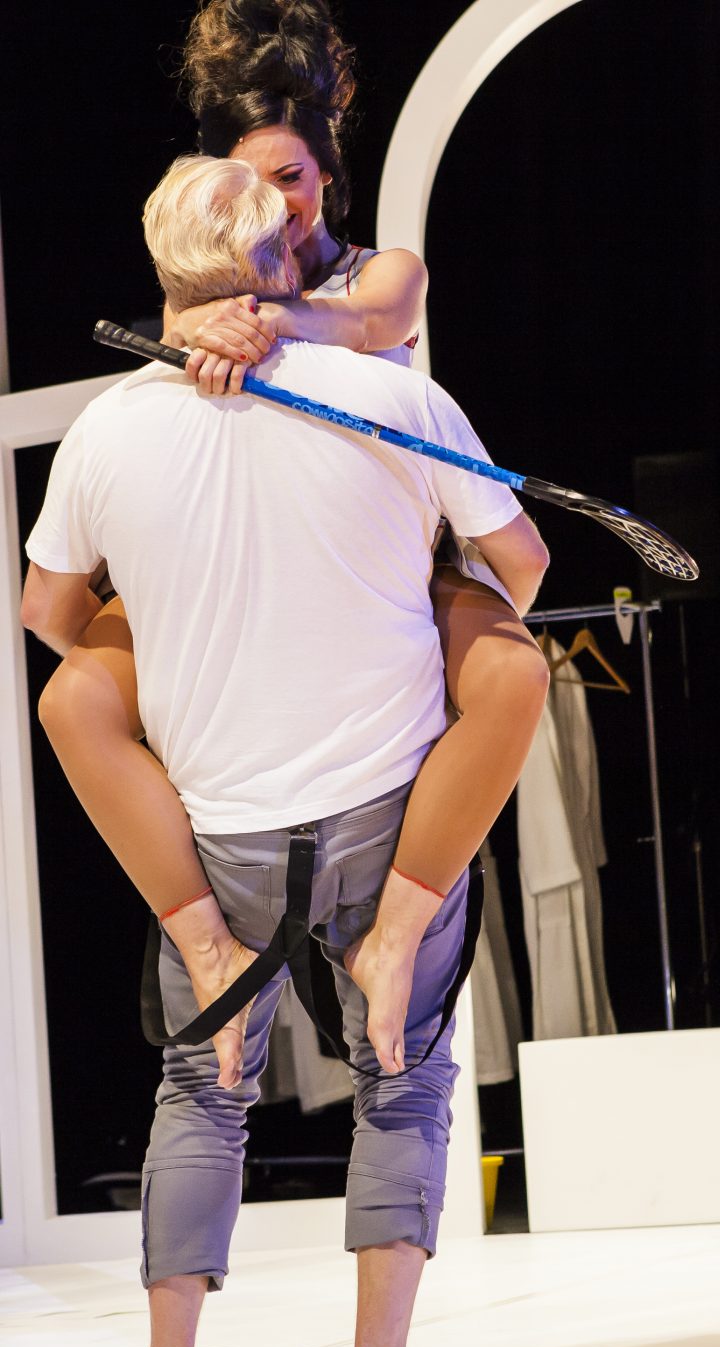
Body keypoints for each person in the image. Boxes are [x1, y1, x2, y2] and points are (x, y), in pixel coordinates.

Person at [22, 153, 548, 1347]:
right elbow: (521, 569)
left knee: (200, 1088)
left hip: (220, 833)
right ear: (280, 256)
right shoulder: (394, 397)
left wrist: (157, 619)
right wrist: (427, 589)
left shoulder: (106, 432)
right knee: (399, 1081)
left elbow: (47, 612)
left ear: (164, 267)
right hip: (387, 815)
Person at [36, 0, 550, 1086]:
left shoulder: (379, 274)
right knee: (73, 697)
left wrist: (257, 322)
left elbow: (369, 326)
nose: (277, 196)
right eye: (250, 177)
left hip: (386, 561)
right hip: (248, 570)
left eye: (294, 175)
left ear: (327, 176)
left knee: (511, 669)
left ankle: (396, 932)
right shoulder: (199, 303)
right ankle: (201, 934)